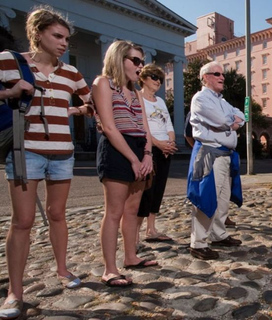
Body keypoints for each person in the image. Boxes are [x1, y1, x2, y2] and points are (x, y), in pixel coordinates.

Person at [0, 6, 92, 319]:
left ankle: (62, 269)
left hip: (63, 153)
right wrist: (13, 90)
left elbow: (91, 103)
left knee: (57, 214)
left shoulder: (71, 73)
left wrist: (76, 111)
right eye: (57, 35)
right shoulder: (10, 61)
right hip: (26, 152)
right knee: (22, 221)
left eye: (66, 38)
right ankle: (15, 292)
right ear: (38, 33)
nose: (64, 42)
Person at [92, 40, 157, 287]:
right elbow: (109, 126)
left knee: (132, 210)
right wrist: (132, 158)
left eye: (142, 61)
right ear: (119, 59)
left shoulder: (136, 92)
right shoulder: (103, 83)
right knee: (114, 212)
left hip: (140, 149)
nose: (141, 66)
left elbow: (145, 126)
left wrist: (147, 155)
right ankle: (110, 269)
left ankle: (131, 256)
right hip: (118, 149)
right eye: (136, 60)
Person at [187, 61, 245, 260]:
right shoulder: (201, 98)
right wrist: (231, 121)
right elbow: (221, 121)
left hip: (225, 155)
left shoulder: (221, 100)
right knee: (206, 198)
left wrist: (232, 119)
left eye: (223, 74)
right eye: (217, 74)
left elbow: (240, 115)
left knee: (222, 198)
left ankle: (218, 234)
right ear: (205, 77)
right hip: (210, 154)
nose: (222, 77)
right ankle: (198, 243)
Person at [136, 64, 177, 244]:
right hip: (148, 148)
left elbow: (168, 124)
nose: (158, 81)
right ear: (143, 78)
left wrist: (171, 142)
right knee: (146, 191)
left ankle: (151, 228)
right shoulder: (137, 98)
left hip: (165, 150)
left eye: (160, 78)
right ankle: (135, 234)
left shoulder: (160, 101)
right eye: (153, 77)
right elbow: (140, 127)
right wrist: (159, 144)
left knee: (158, 189)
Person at [184, 110, 237, 228]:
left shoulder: (222, 108)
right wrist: (199, 150)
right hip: (207, 154)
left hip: (224, 154)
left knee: (223, 192)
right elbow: (188, 134)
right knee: (206, 190)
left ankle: (220, 225)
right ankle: (200, 237)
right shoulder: (196, 109)